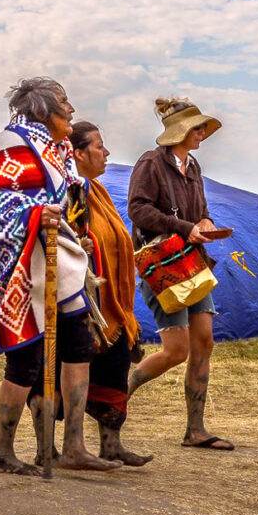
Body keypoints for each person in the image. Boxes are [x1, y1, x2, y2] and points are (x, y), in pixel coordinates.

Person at [0, 78, 120, 476]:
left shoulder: (59, 151)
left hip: (61, 257)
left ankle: (73, 445)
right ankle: (2, 450)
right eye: (63, 102)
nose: (71, 109)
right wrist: (33, 216)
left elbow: (68, 203)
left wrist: (76, 234)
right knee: (26, 359)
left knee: (78, 344)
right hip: (21, 263)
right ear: (43, 110)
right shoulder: (14, 144)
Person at [127, 97, 233, 451]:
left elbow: (200, 209)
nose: (203, 133)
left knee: (204, 342)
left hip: (193, 263)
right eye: (198, 128)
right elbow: (138, 210)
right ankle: (116, 395)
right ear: (183, 131)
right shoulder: (150, 163)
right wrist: (183, 227)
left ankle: (195, 430)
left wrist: (205, 222)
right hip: (163, 265)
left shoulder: (194, 166)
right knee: (176, 351)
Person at [69, 121, 151, 466]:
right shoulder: (71, 190)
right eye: (99, 146)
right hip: (85, 301)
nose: (106, 153)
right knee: (73, 367)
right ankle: (62, 448)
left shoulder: (97, 191)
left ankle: (111, 444)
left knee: (115, 364)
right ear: (78, 153)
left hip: (114, 306)